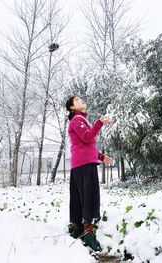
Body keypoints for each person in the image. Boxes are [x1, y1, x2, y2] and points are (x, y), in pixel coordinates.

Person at [65, 95, 113, 252]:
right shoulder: (77, 120)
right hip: (84, 165)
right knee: (89, 197)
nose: (81, 100)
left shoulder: (80, 120)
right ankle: (88, 234)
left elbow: (86, 145)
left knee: (80, 198)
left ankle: (77, 229)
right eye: (77, 100)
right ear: (72, 107)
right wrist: (100, 123)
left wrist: (100, 156)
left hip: (81, 163)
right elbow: (87, 138)